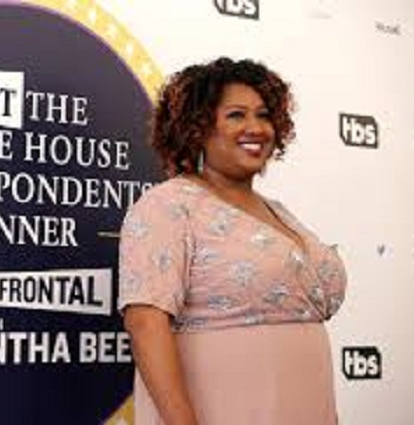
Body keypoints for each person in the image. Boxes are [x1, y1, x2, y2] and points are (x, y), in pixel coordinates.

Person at [118, 57, 347, 425]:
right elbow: (146, 323)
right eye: (236, 115)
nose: (256, 127)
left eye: (264, 115)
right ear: (197, 128)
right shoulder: (167, 205)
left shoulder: (280, 212)